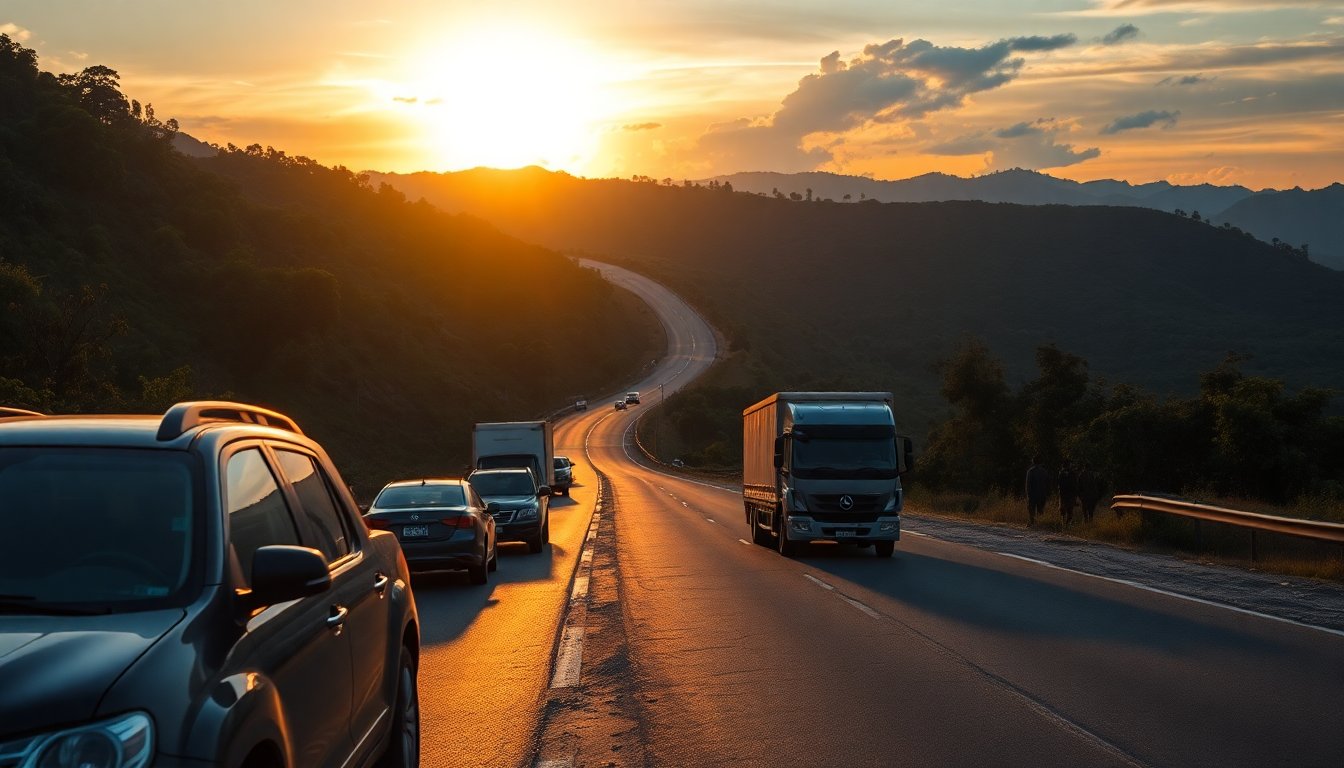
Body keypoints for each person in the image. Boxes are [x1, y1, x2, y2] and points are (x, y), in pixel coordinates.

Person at [1025, 456, 1050, 525]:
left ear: (1033, 462)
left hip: (1032, 495)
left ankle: (1032, 523)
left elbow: (1028, 485)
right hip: (1042, 495)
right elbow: (1048, 483)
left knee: (1031, 510)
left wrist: (1028, 495)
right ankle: (1040, 523)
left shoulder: (1030, 471)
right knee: (1040, 511)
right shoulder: (1044, 471)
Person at [1057, 459, 1078, 525]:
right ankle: (1067, 523)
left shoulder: (1061, 473)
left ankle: (1064, 523)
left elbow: (1059, 484)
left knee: (1063, 510)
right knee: (1070, 510)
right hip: (1070, 494)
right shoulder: (1073, 473)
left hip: (1063, 494)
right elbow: (1075, 484)